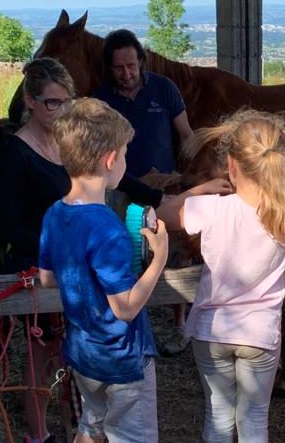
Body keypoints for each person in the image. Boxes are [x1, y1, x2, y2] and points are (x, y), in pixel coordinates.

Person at [0, 57, 170, 443]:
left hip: (77, 309)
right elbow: (8, 225)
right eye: (53, 103)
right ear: (30, 102)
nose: (60, 110)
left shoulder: (63, 194)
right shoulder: (16, 157)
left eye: (65, 101)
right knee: (119, 436)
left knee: (89, 417)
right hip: (97, 321)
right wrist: (156, 258)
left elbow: (51, 275)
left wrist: (176, 200)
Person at [156, 112, 285, 443]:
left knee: (218, 416)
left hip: (211, 330)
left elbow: (162, 212)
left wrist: (199, 190)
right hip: (260, 335)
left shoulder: (209, 209)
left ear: (231, 165)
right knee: (254, 419)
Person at [94, 28, 194, 357]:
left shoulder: (164, 89)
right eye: (119, 68)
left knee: (175, 253)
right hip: (122, 188)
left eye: (131, 66)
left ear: (142, 61)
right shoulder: (101, 100)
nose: (126, 73)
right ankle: (132, 320)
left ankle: (180, 326)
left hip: (165, 185)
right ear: (109, 68)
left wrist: (188, 179)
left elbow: (186, 136)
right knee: (125, 252)